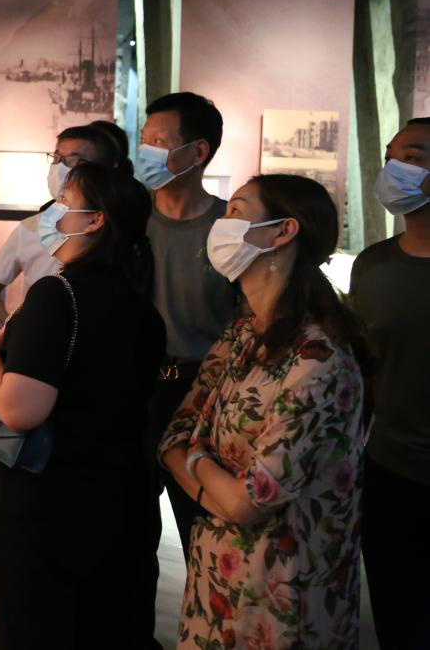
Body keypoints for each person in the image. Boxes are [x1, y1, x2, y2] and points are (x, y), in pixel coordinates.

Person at [159, 174, 366, 648]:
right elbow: (173, 436)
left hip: (284, 598)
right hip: (217, 581)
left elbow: (246, 503)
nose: (221, 223)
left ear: (283, 231)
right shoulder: (243, 332)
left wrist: (195, 461)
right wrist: (212, 479)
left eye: (236, 210)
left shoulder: (318, 358)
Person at [0, 163, 165, 649]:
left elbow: (19, 409)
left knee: (32, 627)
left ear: (95, 220)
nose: (51, 213)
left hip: (44, 500)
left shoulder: (57, 294)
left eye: (65, 202)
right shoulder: (140, 306)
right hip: (114, 492)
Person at [135, 92, 238, 644]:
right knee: (128, 533)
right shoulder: (130, 222)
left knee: (205, 531)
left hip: (203, 398)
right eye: (144, 138)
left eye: (158, 141)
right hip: (133, 393)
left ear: (197, 152)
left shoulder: (230, 228)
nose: (145, 150)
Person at [350, 116, 430, 649]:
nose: (397, 168)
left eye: (415, 157)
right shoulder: (372, 265)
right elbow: (365, 369)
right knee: (397, 619)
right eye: (391, 156)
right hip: (390, 472)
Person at [0, 123, 128, 321]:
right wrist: (11, 329)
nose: (60, 168)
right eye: (57, 158)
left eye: (73, 161)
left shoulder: (116, 235)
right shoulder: (31, 227)